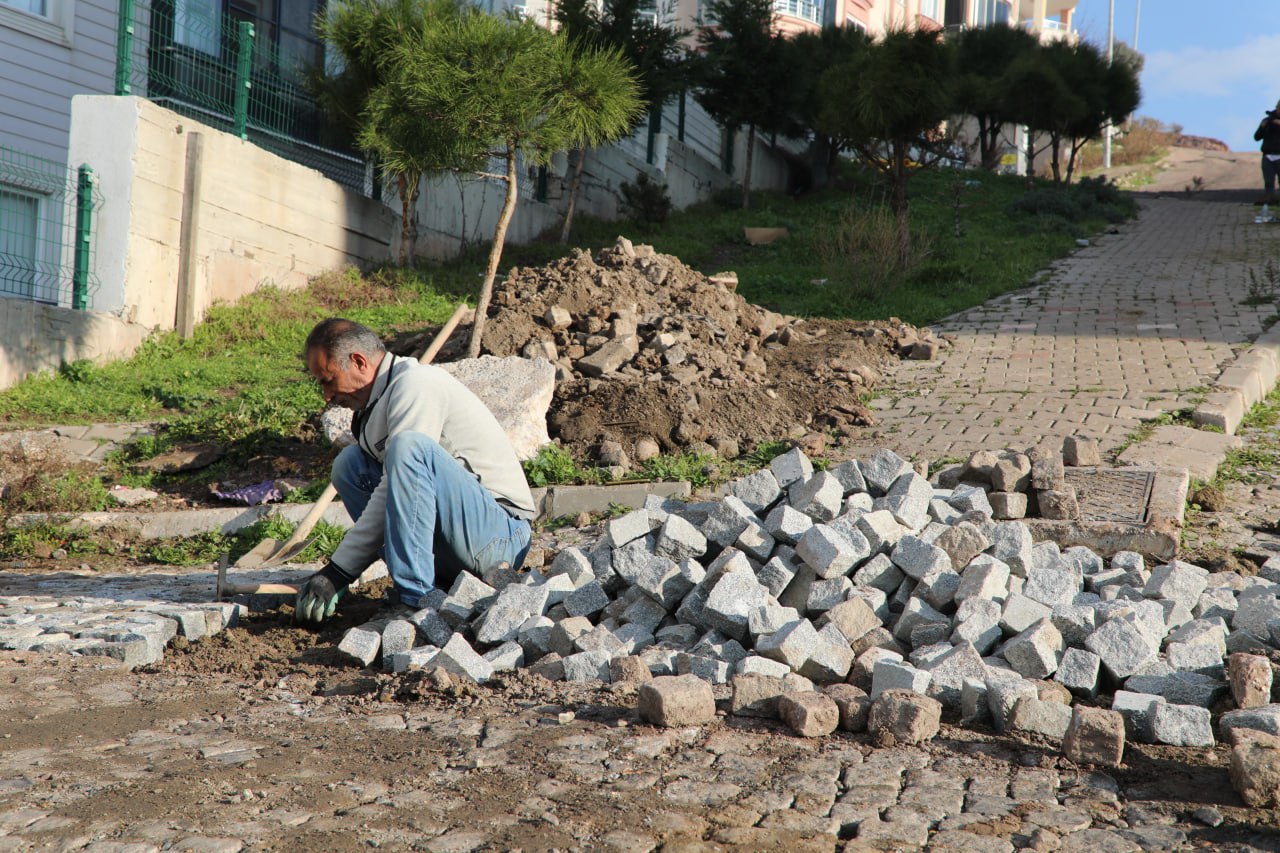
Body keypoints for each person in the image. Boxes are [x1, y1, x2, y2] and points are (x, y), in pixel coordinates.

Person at [295, 318, 536, 623]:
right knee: (349, 465)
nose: (326, 396)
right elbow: (399, 494)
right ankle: (430, 581)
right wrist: (336, 574)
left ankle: (416, 599)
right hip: (458, 543)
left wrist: (338, 571)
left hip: (500, 537)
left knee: (408, 447)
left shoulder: (415, 384)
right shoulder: (373, 408)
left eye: (328, 380)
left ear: (358, 362)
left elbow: (394, 485)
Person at [1256, 99, 1280, 203]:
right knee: (1269, 182)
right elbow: (1256, 137)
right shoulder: (1267, 120)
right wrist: (1262, 127)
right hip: (1267, 156)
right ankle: (1270, 201)